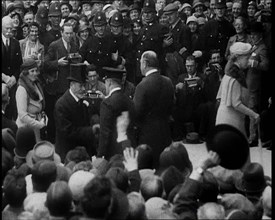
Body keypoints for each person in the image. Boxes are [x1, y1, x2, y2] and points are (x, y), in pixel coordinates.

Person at [134, 51, 174, 168]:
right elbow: (172, 105)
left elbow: (137, 113)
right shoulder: (168, 82)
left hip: (147, 136)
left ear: (145, 64)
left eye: (141, 63)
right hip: (166, 132)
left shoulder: (142, 85)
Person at [216, 42, 260, 139]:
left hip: (224, 117)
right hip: (231, 120)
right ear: (239, 58)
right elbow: (236, 103)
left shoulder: (228, 73)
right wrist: (254, 114)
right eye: (247, 58)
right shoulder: (235, 77)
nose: (249, 61)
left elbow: (219, 97)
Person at [44, 22, 79, 143]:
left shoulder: (75, 45)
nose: (69, 36)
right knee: (58, 115)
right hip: (58, 86)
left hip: (71, 86)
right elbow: (45, 64)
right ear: (61, 33)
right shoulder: (54, 45)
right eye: (67, 33)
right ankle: (56, 140)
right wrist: (57, 63)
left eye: (71, 33)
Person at [54, 63, 97, 161]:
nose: (83, 89)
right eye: (80, 86)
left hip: (82, 154)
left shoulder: (82, 101)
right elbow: (67, 132)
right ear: (71, 85)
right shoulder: (62, 105)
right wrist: (91, 131)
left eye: (84, 86)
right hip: (68, 155)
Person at [98, 67, 136, 160]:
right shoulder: (129, 101)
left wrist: (100, 154)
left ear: (109, 83)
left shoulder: (107, 103)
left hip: (113, 153)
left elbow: (105, 132)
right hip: (129, 149)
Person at [15, 58, 47, 142]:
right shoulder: (22, 89)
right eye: (32, 71)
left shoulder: (36, 84)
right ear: (25, 73)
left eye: (36, 70)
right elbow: (22, 115)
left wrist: (43, 117)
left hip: (36, 127)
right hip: (25, 129)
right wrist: (38, 124)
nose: (35, 73)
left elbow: (39, 104)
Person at [2, 15, 23, 120]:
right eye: (7, 28)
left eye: (11, 28)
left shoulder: (15, 43)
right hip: (2, 82)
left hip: (12, 84)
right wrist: (4, 77)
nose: (9, 31)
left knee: (12, 111)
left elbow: (20, 64)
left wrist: (14, 77)